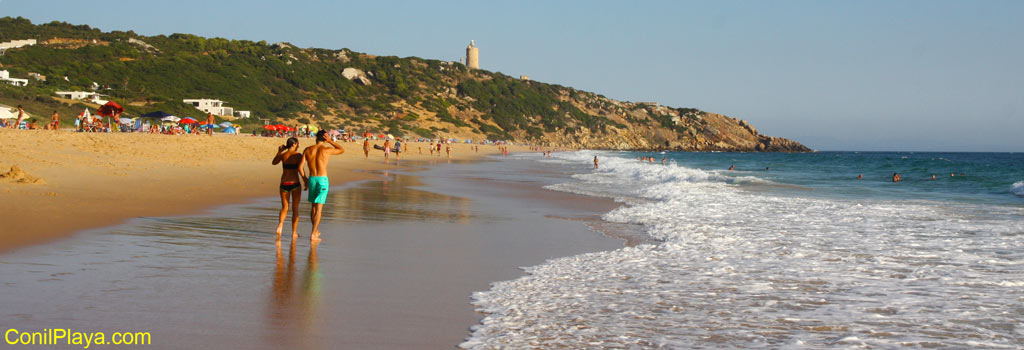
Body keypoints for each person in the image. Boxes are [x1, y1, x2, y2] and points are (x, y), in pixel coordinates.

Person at [302, 130, 345, 242]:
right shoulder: (326, 150)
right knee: (319, 209)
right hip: (322, 180)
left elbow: (300, 166)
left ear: (316, 137)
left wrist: (305, 179)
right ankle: (313, 233)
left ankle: (315, 230)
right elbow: (341, 150)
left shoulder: (308, 149)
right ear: (325, 138)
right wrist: (330, 141)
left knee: (313, 207)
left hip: (312, 179)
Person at [273, 137, 307, 238]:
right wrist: (305, 180)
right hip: (295, 183)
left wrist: (279, 152)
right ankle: (294, 232)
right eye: (297, 144)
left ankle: (280, 225)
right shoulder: (298, 156)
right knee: (295, 208)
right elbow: (300, 170)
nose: (298, 145)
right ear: (294, 144)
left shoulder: (283, 155)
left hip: (284, 183)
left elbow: (274, 162)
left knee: (285, 207)